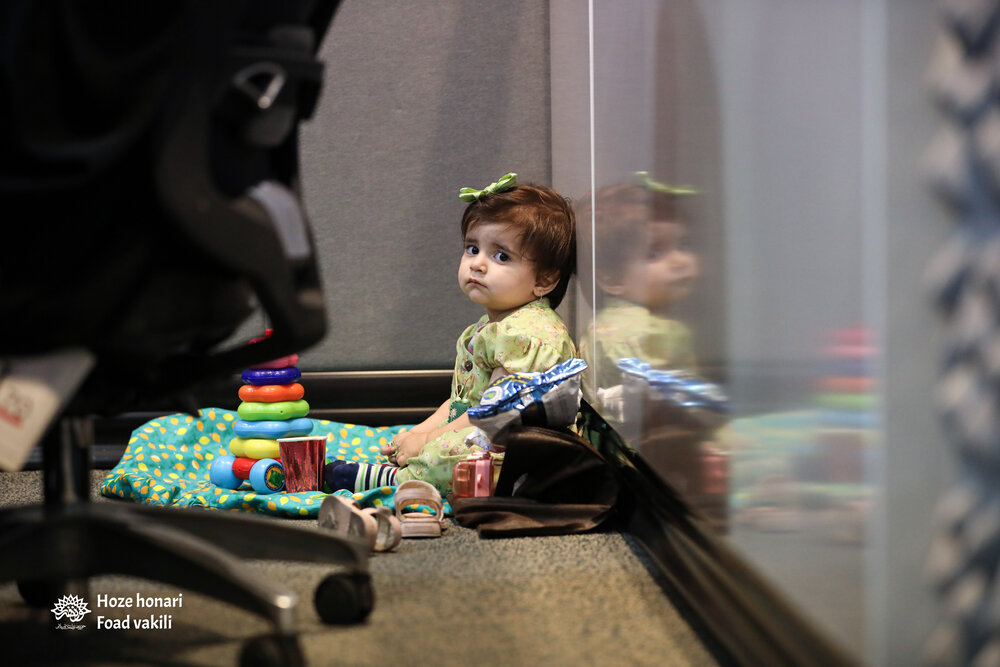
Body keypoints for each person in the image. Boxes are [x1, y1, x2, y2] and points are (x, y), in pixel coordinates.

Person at [326, 173, 577, 494]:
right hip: (481, 427)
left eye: (501, 256)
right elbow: (460, 402)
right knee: (429, 439)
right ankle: (413, 461)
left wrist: (429, 441)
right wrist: (419, 431)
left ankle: (398, 481)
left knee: (457, 455)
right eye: (473, 248)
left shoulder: (526, 335)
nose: (478, 264)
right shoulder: (493, 327)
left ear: (544, 280)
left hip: (516, 448)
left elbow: (493, 414)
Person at [578, 173, 701, 412]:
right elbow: (674, 407)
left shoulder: (604, 325)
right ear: (611, 278)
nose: (680, 261)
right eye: (653, 253)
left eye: (683, 245)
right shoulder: (648, 332)